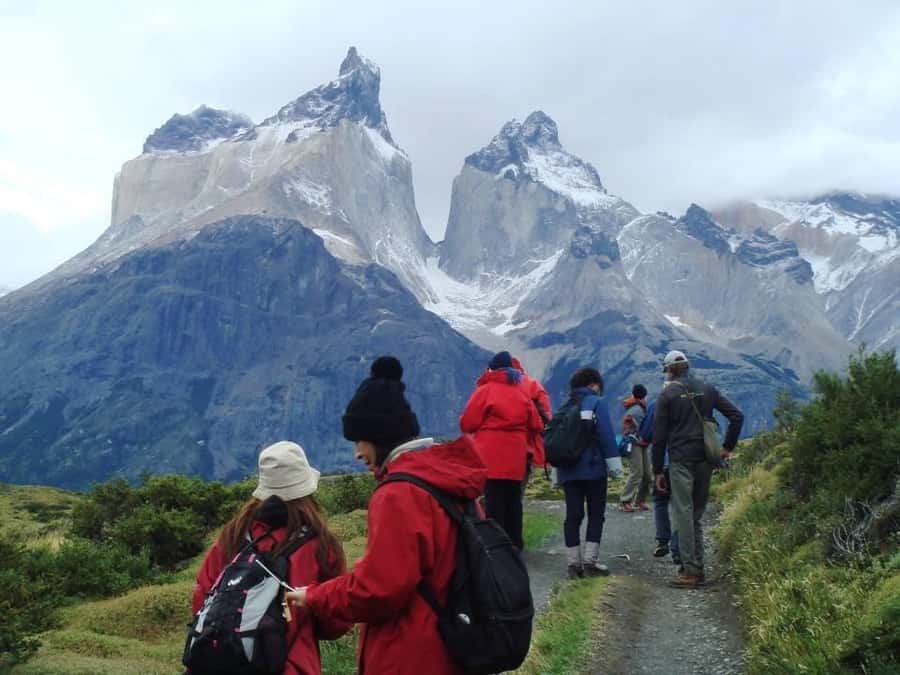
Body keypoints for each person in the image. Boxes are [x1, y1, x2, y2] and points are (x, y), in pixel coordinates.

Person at [286, 356, 488, 675]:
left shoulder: (398, 494)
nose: (357, 453)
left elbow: (378, 590)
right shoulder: (446, 478)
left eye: (359, 440)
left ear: (379, 436)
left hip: (412, 653)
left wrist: (314, 595)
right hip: (455, 641)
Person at [191, 441, 350, 675]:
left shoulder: (235, 534)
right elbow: (337, 622)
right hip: (292, 665)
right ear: (306, 489)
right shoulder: (321, 544)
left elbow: (202, 597)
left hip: (222, 664)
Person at [652, 350, 744, 587]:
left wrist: (657, 470)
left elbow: (659, 436)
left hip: (680, 459)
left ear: (669, 370)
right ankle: (697, 568)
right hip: (706, 458)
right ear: (687, 367)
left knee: (683, 513)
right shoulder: (707, 388)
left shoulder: (667, 395)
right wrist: (727, 448)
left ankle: (690, 571)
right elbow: (736, 416)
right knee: (696, 514)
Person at [460, 350, 543, 550]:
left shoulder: (485, 390)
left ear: (492, 369)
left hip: (490, 455)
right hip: (516, 456)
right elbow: (536, 424)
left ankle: (496, 548)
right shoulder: (521, 392)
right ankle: (515, 545)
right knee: (513, 501)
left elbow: (467, 423)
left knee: (493, 501)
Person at [557, 367, 623, 578]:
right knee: (596, 515)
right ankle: (589, 562)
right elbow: (606, 436)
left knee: (572, 516)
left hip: (568, 469)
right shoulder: (596, 403)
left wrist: (556, 472)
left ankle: (573, 565)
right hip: (593, 469)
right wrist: (615, 468)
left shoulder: (565, 406)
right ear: (593, 384)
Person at [644, 399, 680, 563]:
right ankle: (678, 548)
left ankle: (662, 540)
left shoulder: (656, 404)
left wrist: (657, 469)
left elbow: (646, 434)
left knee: (660, 500)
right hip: (684, 462)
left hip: (663, 461)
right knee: (682, 505)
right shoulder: (691, 400)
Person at [512, 355, 551, 471]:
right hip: (532, 448)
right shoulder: (533, 385)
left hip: (495, 451)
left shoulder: (487, 388)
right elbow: (546, 416)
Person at [620, 384, 651, 512]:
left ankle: (640, 500)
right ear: (644, 395)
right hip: (635, 444)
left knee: (647, 474)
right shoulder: (637, 410)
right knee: (637, 472)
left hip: (641, 444)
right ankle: (626, 501)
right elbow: (641, 428)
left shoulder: (638, 408)